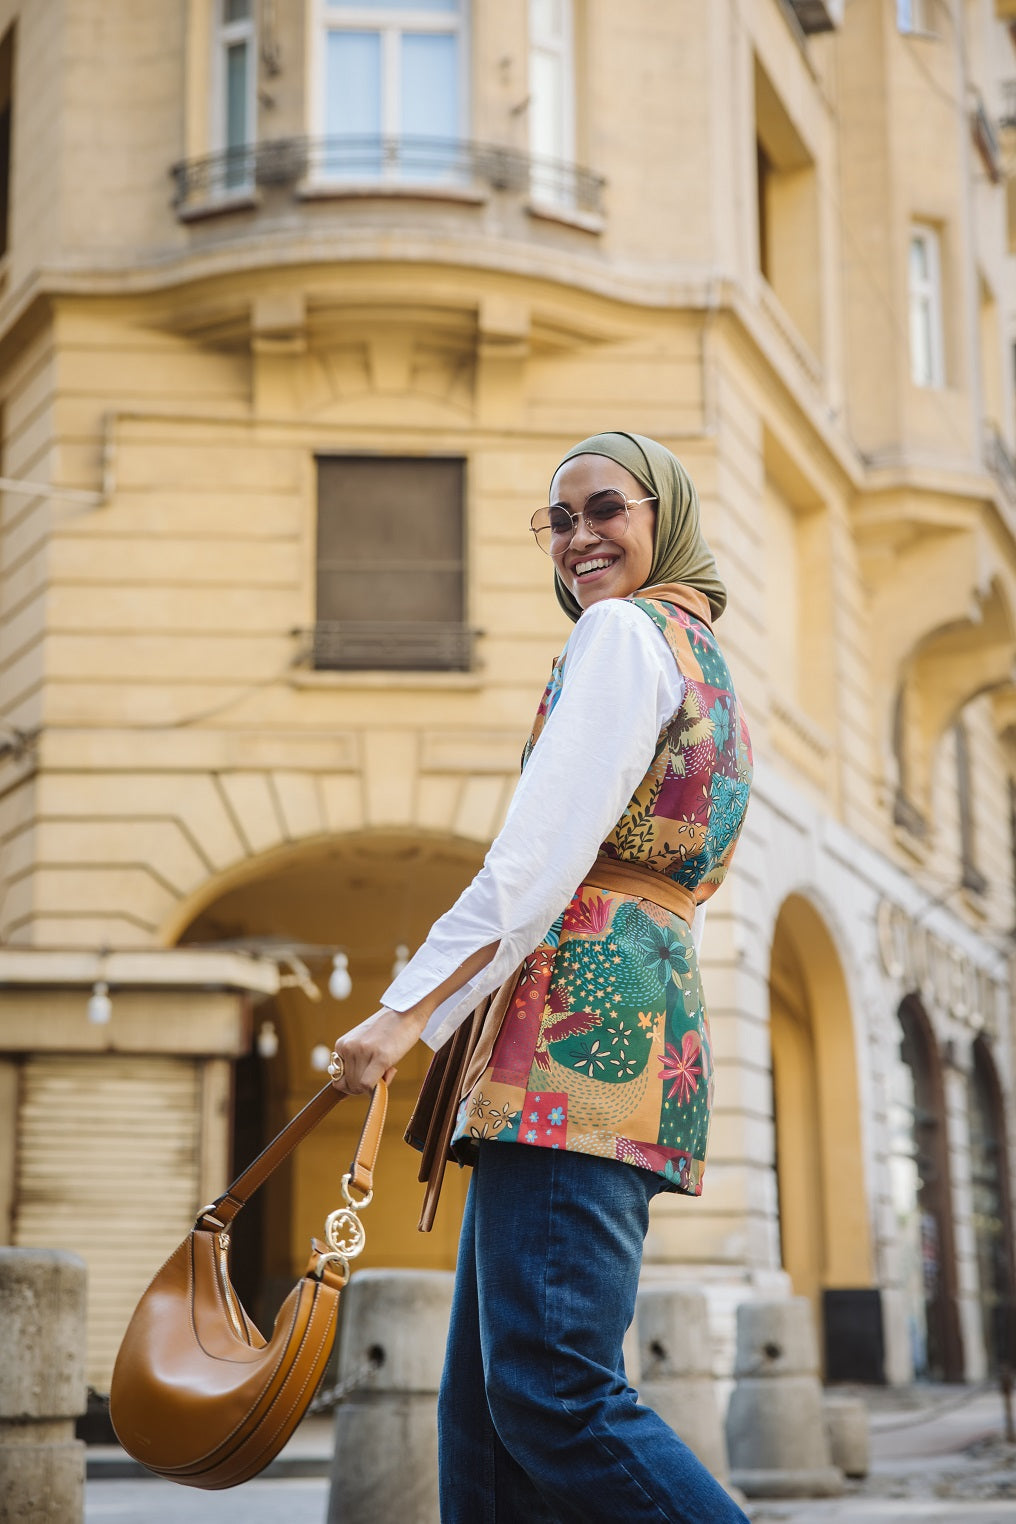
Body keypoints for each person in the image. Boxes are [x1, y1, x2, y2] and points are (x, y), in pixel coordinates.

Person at [328, 431, 753, 1524]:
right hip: (624, 1020)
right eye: (557, 521)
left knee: (550, 1391)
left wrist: (403, 1011)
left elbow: (537, 857)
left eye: (603, 509)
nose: (576, 538)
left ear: (663, 516)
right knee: (483, 1421)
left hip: (573, 1037)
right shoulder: (703, 656)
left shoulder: (622, 632)